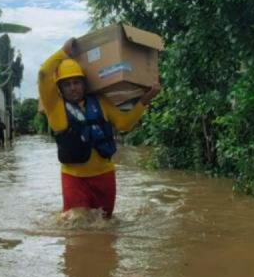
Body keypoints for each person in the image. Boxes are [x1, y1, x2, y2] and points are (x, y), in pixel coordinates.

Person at [38, 37, 161, 219]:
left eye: (77, 82)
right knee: (76, 225)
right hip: (74, 179)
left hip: (104, 176)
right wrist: (63, 51)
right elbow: (43, 73)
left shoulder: (101, 102)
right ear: (60, 88)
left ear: (84, 84)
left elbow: (124, 124)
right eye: (67, 84)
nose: (73, 88)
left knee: (105, 224)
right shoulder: (54, 107)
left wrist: (145, 100)